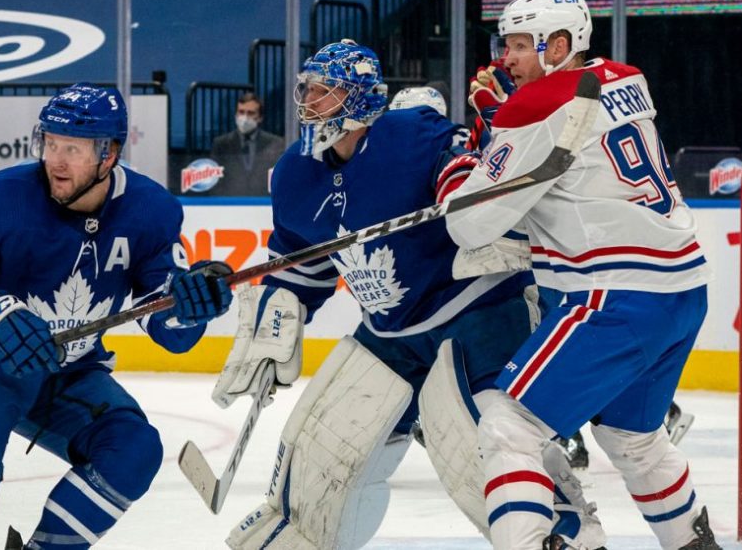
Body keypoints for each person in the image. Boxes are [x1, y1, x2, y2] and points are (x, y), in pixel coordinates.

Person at [211, 39, 604, 550]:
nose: (309, 101)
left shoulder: (413, 135)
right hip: (388, 333)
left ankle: (565, 535)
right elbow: (300, 265)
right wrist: (273, 327)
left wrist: (468, 177)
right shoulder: (294, 173)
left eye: (325, 91)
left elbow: (477, 182)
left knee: (479, 451)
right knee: (319, 458)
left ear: (360, 99)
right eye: (307, 89)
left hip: (476, 313)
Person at [0, 83, 233, 550]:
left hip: (70, 372)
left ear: (109, 154)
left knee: (132, 451)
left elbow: (166, 324)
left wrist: (189, 308)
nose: (55, 161)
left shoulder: (150, 211)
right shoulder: (5, 197)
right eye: (51, 144)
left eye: (73, 149)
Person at [441, 0, 719, 549]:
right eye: (506, 45)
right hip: (681, 290)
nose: (506, 59)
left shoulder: (533, 108)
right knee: (633, 438)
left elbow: (468, 225)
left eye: (521, 46)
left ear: (560, 45)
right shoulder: (626, 79)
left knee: (508, 426)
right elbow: (573, 145)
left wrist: (471, 158)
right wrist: (507, 125)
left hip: (612, 298)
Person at [208, 92, 285, 196]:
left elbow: (280, 179)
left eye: (250, 113)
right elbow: (214, 183)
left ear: (260, 117)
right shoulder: (221, 144)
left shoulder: (275, 143)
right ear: (236, 114)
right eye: (241, 112)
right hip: (229, 203)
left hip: (264, 203)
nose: (244, 117)